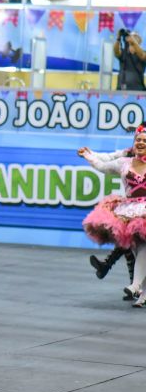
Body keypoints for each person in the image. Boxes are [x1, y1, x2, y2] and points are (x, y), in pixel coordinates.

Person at [80, 130, 146, 306]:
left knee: (144, 247)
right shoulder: (124, 162)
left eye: (144, 140)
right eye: (138, 139)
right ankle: (142, 293)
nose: (140, 142)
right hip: (130, 209)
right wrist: (88, 155)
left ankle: (136, 285)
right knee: (136, 248)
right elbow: (102, 165)